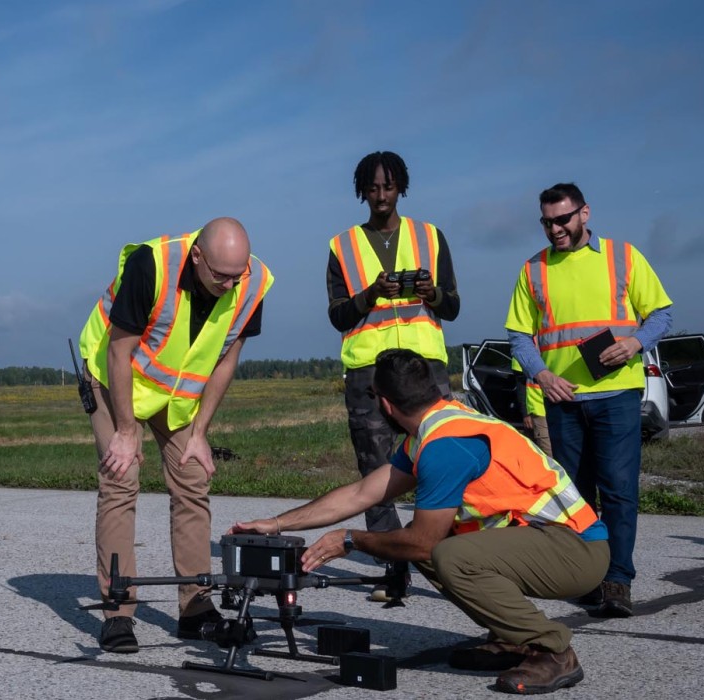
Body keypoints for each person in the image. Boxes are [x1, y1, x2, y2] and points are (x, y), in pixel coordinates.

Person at [231, 349, 609, 695]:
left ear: (385, 404)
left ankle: (553, 650)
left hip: (575, 552)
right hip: (548, 544)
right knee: (433, 550)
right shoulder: (433, 430)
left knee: (442, 552)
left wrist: (351, 540)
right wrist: (277, 524)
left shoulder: (446, 446)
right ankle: (513, 639)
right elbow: (362, 493)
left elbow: (422, 542)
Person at [78, 217, 273, 654]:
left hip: (173, 391)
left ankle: (196, 608)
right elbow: (119, 350)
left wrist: (201, 431)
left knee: (192, 478)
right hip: (115, 379)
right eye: (219, 275)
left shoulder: (252, 280)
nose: (228, 285)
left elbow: (226, 359)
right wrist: (127, 431)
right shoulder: (152, 265)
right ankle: (117, 613)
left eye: (235, 276)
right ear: (198, 255)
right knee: (120, 478)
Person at [505, 182, 673, 618]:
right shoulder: (533, 270)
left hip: (617, 395)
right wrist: (540, 374)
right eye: (547, 222)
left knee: (618, 492)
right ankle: (589, 578)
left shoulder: (624, 256)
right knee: (577, 497)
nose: (555, 229)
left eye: (562, 219)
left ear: (584, 214)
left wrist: (636, 343)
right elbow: (519, 335)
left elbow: (661, 314)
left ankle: (618, 581)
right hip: (562, 399)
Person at [326, 151, 460, 600]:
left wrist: (432, 292)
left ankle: (454, 561)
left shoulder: (429, 236)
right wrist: (369, 295)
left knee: (443, 465)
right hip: (367, 374)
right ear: (361, 190)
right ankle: (393, 573)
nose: (380, 196)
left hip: (424, 371)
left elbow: (453, 307)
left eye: (388, 186)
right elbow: (338, 315)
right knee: (377, 475)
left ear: (401, 187)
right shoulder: (341, 246)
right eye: (372, 187)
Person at [512, 357, 553, 457]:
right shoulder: (523, 350)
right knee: (549, 456)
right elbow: (521, 385)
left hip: (559, 407)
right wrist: (525, 413)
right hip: (539, 410)